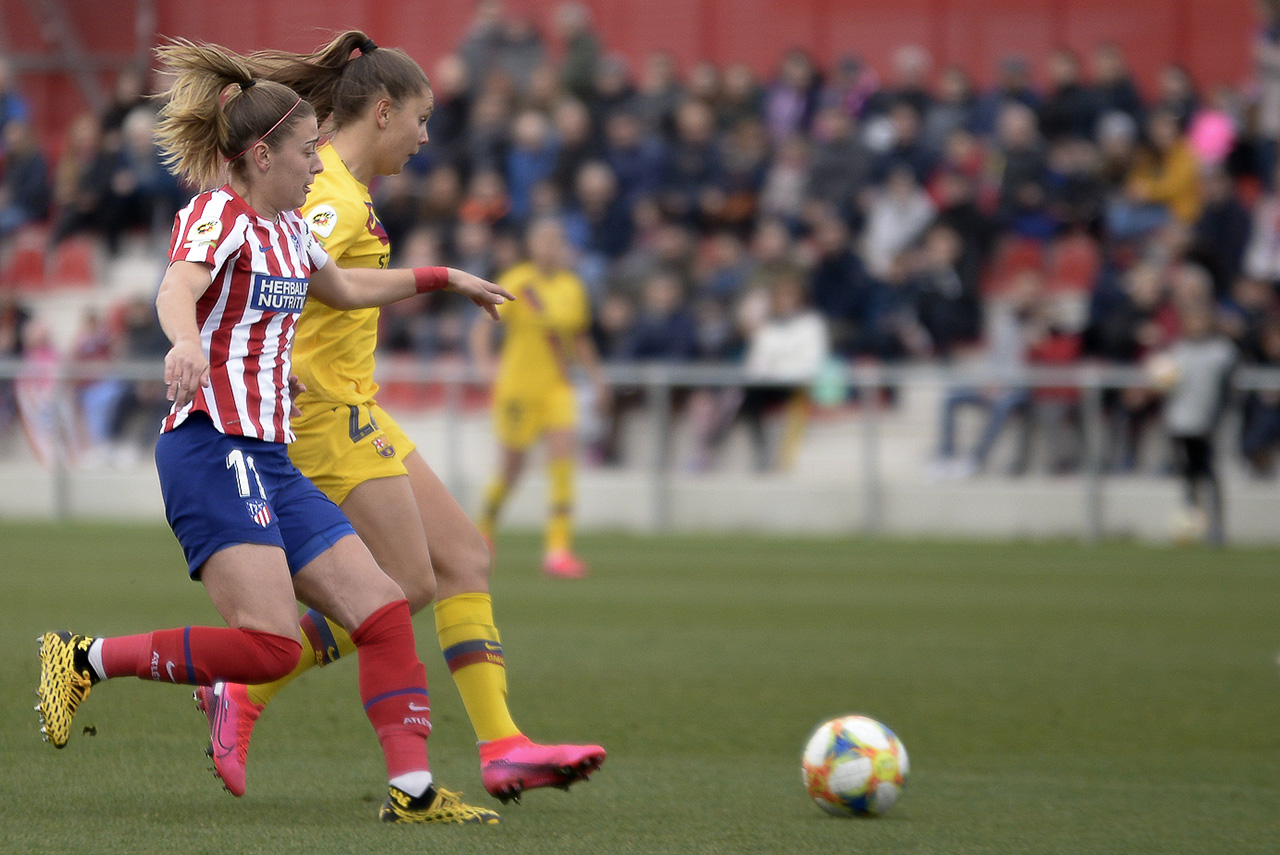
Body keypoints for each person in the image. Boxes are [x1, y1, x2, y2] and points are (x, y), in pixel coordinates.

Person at [35, 38, 513, 825]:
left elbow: (349, 285)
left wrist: (443, 278)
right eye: (302, 152)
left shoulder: (291, 232)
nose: (313, 164)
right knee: (272, 645)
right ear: (262, 155)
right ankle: (82, 657)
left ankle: (416, 792)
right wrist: (185, 342)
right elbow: (176, 286)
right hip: (210, 448)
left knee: (389, 607)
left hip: (268, 456)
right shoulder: (217, 213)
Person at [215, 31, 604, 803]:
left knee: (460, 558)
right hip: (322, 413)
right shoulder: (325, 193)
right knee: (402, 586)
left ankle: (503, 745)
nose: (427, 138)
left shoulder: (340, 187)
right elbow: (275, 279)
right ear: (384, 111)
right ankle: (245, 686)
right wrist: (275, 371)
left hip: (355, 406)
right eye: (422, 120)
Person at [470, 215, 605, 578]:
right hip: (518, 389)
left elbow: (579, 337)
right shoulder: (518, 281)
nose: (550, 246)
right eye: (544, 239)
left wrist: (597, 380)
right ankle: (482, 530)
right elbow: (483, 327)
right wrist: (486, 366)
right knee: (511, 469)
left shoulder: (572, 287)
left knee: (562, 463)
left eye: (556, 240)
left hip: (558, 388)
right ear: (532, 245)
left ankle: (558, 550)